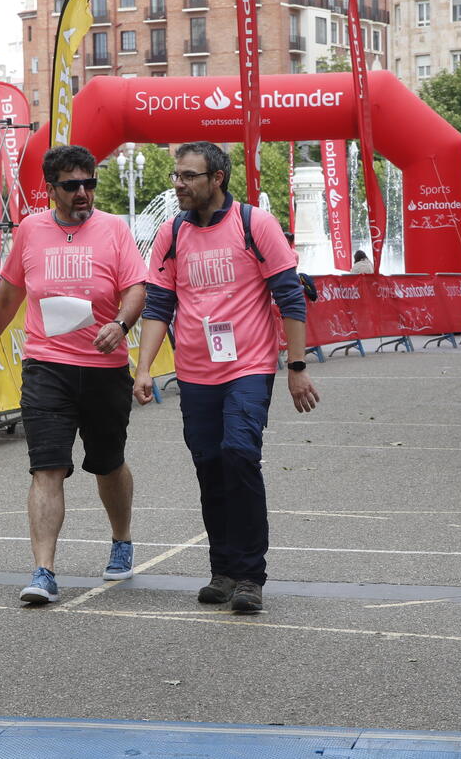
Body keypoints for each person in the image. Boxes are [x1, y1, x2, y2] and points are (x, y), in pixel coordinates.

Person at [132, 141, 319, 614]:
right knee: (209, 466)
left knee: (239, 453)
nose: (180, 184)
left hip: (249, 367)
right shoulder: (172, 233)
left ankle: (250, 576)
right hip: (195, 372)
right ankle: (223, 570)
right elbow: (158, 306)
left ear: (217, 178)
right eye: (177, 176)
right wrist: (143, 369)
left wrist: (296, 368)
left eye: (189, 176)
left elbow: (290, 300)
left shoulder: (255, 225)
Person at [0, 144, 146, 606]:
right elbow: (8, 296)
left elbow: (135, 289)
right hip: (47, 366)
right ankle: (43, 571)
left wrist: (121, 325)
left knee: (108, 462)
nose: (84, 192)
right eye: (72, 186)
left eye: (90, 183)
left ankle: (122, 539)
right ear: (50, 189)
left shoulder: (114, 229)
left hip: (105, 368)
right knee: (46, 466)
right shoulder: (31, 230)